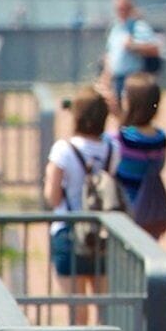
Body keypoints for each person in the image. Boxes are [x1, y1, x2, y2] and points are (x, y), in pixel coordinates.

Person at [44, 91, 114, 296]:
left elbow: (53, 197)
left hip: (68, 231)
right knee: (105, 308)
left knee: (77, 311)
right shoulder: (112, 149)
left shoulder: (63, 150)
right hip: (101, 233)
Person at [105, 77, 166, 238]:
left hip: (124, 211)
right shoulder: (161, 138)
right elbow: (160, 166)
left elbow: (114, 152)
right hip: (149, 211)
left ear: (129, 103)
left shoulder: (118, 139)